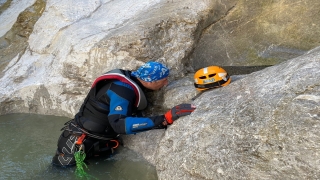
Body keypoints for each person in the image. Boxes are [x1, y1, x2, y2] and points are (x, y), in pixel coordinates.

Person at [52, 61, 196, 167]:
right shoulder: (123, 91)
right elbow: (119, 125)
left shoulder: (130, 80)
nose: (166, 83)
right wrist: (164, 119)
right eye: (164, 80)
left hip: (97, 144)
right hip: (76, 146)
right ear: (150, 81)